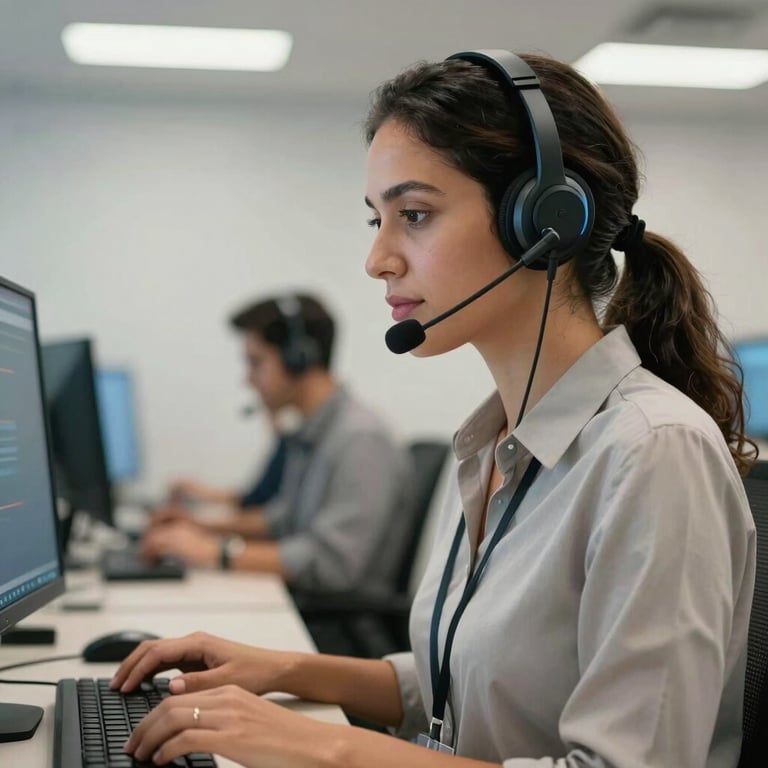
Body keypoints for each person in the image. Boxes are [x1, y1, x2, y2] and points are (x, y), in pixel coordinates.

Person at [113, 50, 757, 768]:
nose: (379, 259)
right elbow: (465, 684)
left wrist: (324, 746)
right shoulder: (492, 443)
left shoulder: (652, 452)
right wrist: (282, 669)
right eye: (376, 221)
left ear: (546, 222)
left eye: (413, 215)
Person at [142, 292, 414, 596]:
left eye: (256, 362)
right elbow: (284, 518)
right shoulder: (314, 431)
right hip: (306, 603)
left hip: (336, 623)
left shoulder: (361, 440)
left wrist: (215, 551)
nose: (248, 380)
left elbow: (333, 565)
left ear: (298, 358)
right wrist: (200, 527)